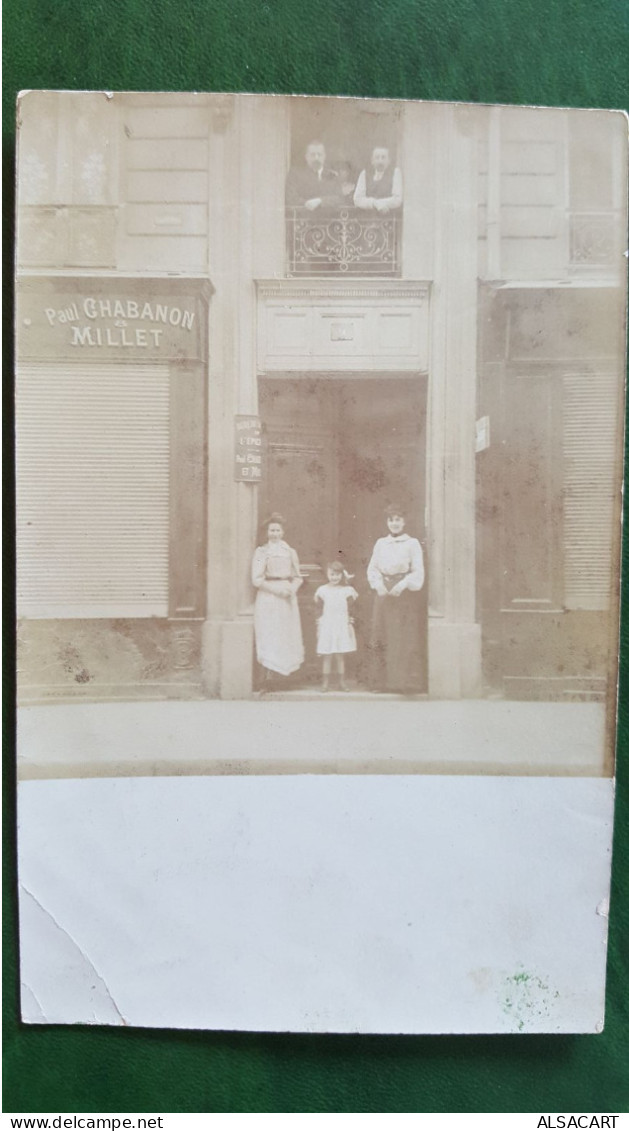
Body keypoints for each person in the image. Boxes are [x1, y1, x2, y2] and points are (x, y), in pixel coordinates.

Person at [366, 505, 425, 693]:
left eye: (398, 519)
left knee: (403, 638)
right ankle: (380, 683)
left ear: (404, 522)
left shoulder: (412, 543)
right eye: (391, 520)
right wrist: (379, 585)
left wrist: (402, 585)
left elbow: (417, 570)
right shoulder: (381, 543)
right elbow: (372, 568)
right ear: (387, 522)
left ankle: (404, 683)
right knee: (381, 635)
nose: (394, 523)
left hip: (403, 594)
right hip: (383, 593)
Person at [252, 513, 304, 680]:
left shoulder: (290, 551)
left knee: (286, 634)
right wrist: (276, 591)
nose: (274, 533)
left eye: (277, 530)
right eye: (271, 530)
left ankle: (285, 677)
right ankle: (268, 676)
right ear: (267, 532)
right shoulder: (261, 552)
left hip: (287, 597)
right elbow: (256, 579)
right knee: (270, 633)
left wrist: (292, 589)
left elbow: (297, 576)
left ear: (283, 532)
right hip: (269, 596)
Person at [314, 562, 359, 692]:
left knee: (340, 655)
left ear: (342, 575)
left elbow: (351, 609)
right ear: (327, 574)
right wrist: (319, 624)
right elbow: (318, 609)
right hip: (327, 625)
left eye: (338, 574)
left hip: (341, 625)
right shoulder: (322, 591)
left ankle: (342, 682)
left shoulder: (347, 591)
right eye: (332, 574)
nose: (334, 577)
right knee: (327, 655)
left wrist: (350, 622)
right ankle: (325, 683)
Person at [285, 141, 341, 210]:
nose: (316, 158)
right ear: (306, 157)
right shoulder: (295, 175)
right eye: (312, 155)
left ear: (324, 156)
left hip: (328, 218)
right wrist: (306, 203)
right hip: (303, 218)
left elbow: (339, 198)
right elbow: (291, 198)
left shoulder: (332, 175)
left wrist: (321, 201)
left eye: (319, 155)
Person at [353, 146, 403, 213]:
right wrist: (374, 203)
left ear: (389, 161)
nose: (380, 161)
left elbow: (397, 200)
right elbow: (357, 199)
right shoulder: (364, 174)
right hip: (367, 218)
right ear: (372, 161)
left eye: (383, 157)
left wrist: (380, 203)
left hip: (388, 218)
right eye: (377, 157)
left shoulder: (395, 173)